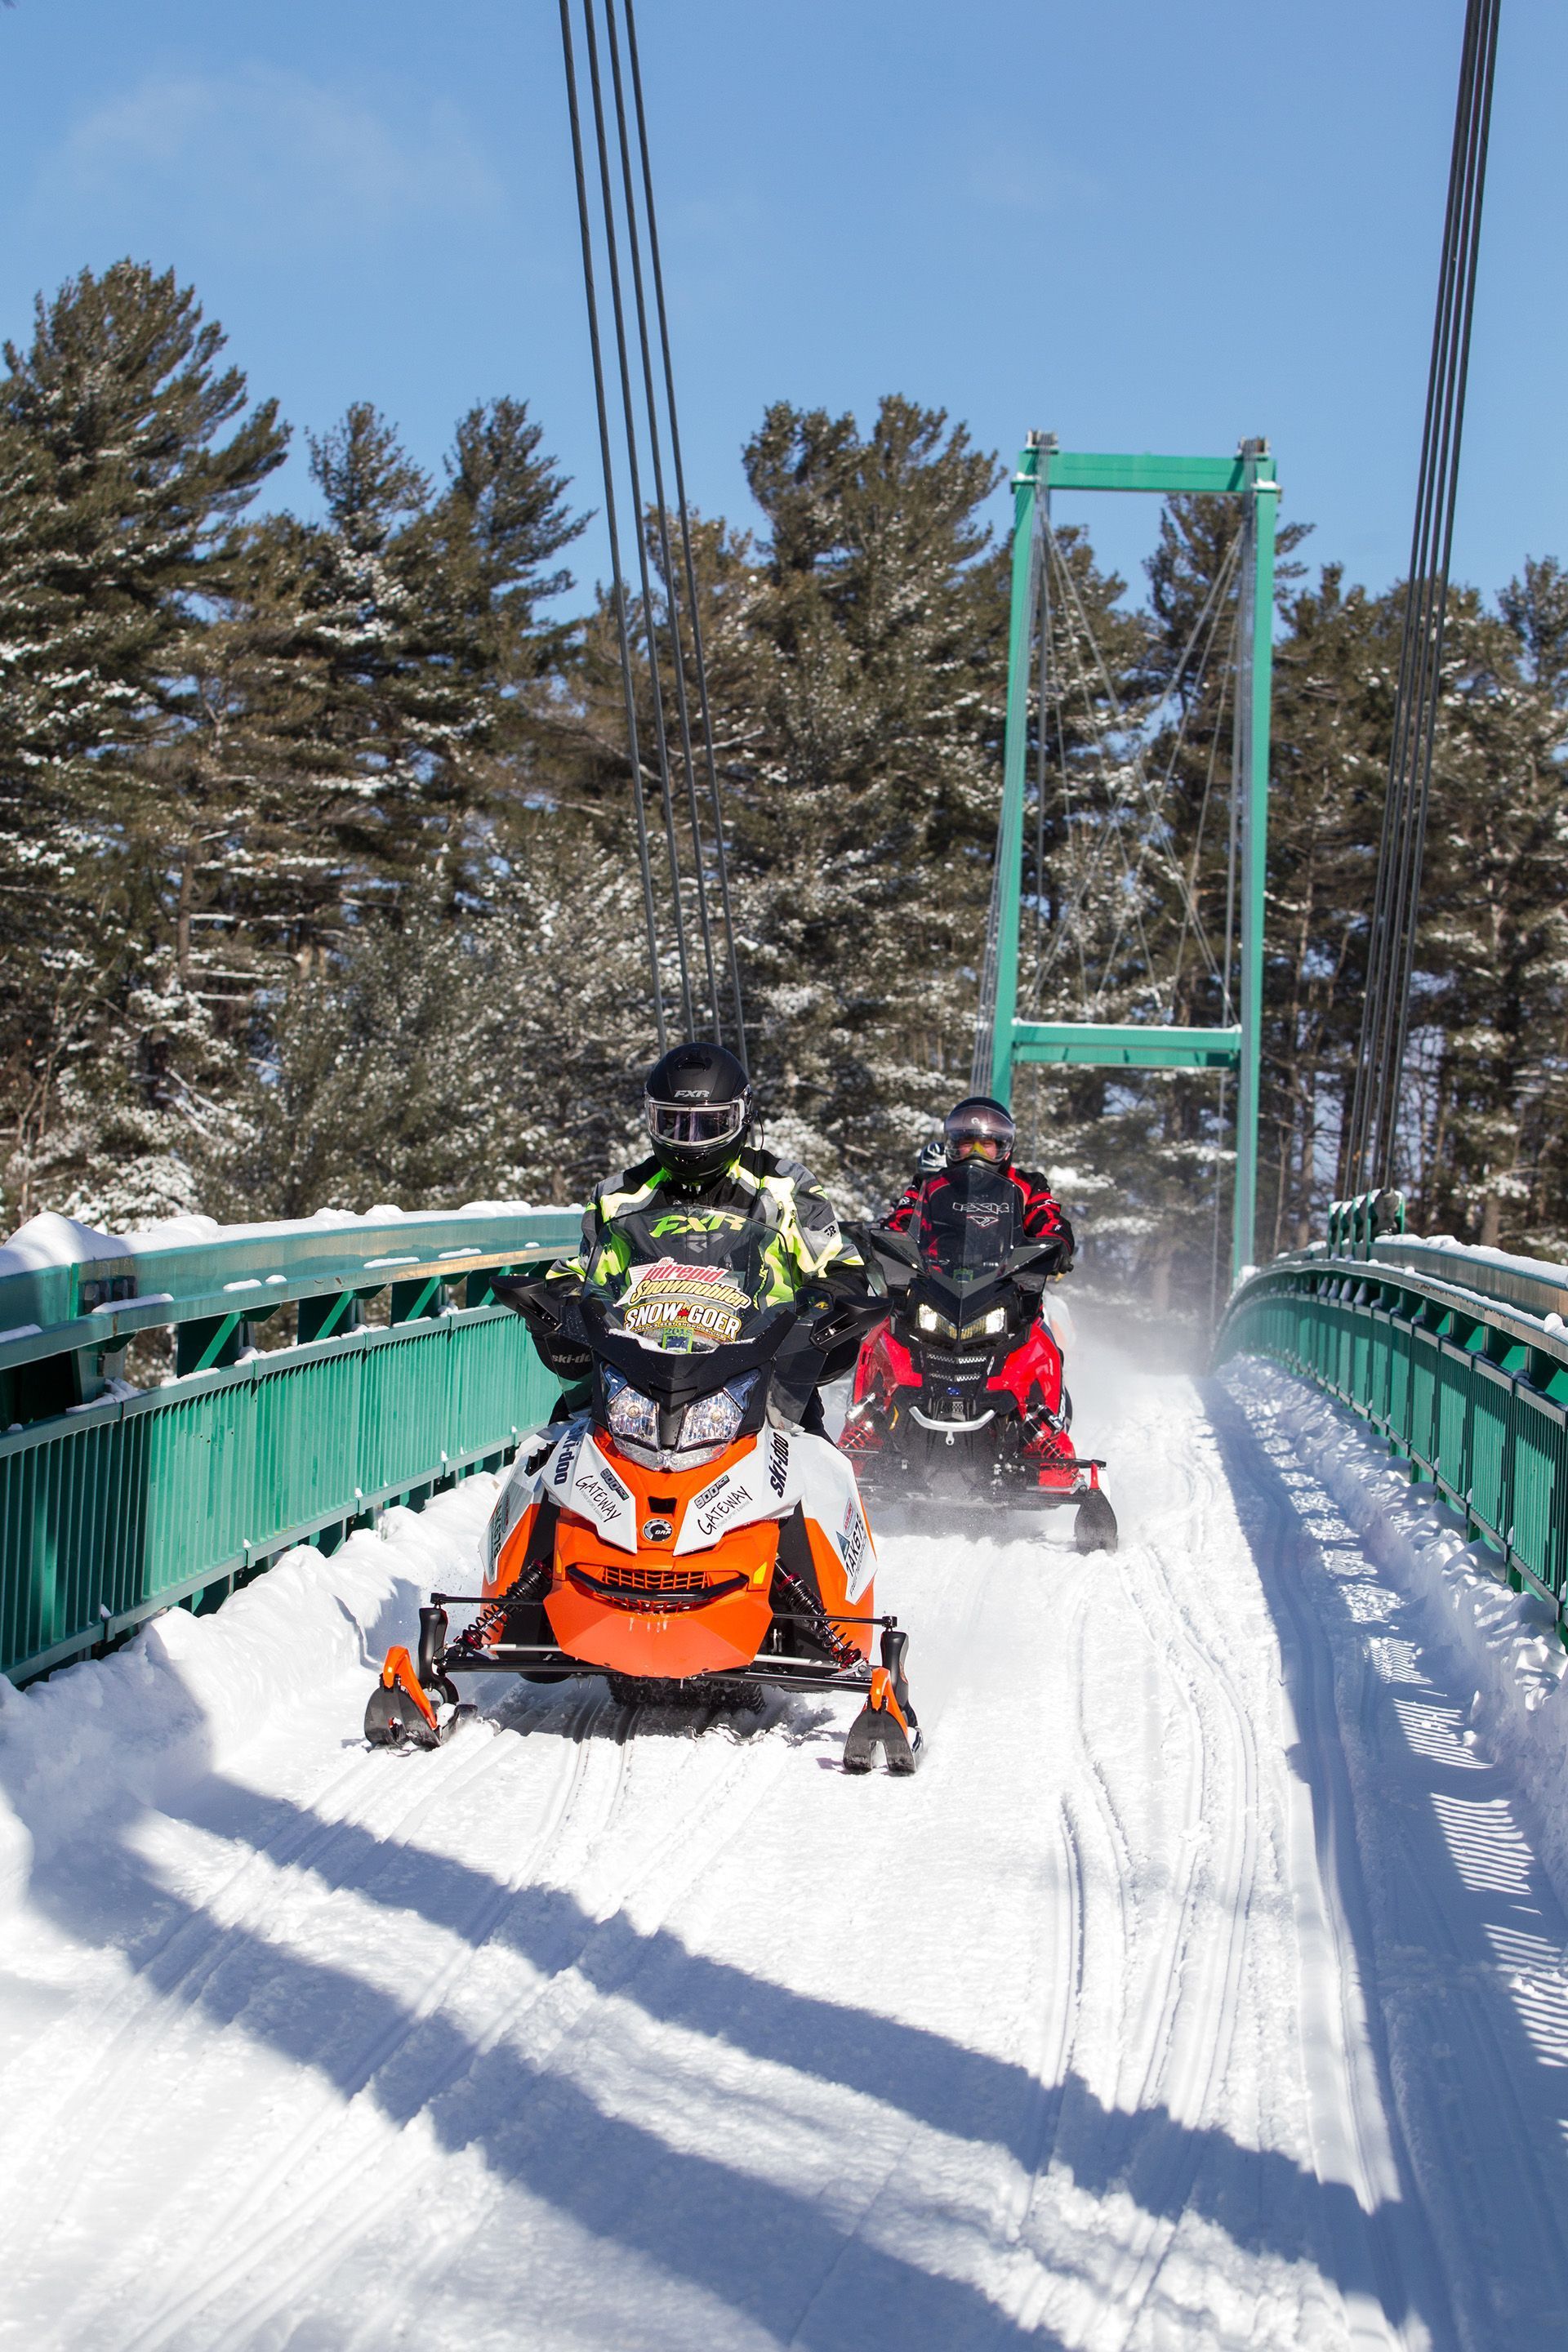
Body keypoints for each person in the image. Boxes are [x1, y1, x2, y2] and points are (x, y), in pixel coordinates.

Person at [544, 1039, 868, 1427]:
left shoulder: (783, 1186)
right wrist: (558, 1300)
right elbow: (580, 1271)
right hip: (634, 1380)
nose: (690, 1140)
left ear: (742, 1118)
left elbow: (838, 1264)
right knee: (552, 1451)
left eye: (709, 1124)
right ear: (651, 1119)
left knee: (821, 1468)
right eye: (673, 1123)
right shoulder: (619, 1195)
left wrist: (827, 1302)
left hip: (760, 1377)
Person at [881, 1096, 1074, 1267]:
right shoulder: (928, 1184)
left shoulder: (1027, 1185)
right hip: (935, 1284)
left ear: (1004, 1147)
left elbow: (1048, 1218)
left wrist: (1055, 1243)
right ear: (952, 1145)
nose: (976, 1152)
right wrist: (890, 1241)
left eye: (986, 1144)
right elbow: (902, 1221)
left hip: (1009, 1284)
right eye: (967, 1144)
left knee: (1031, 1305)